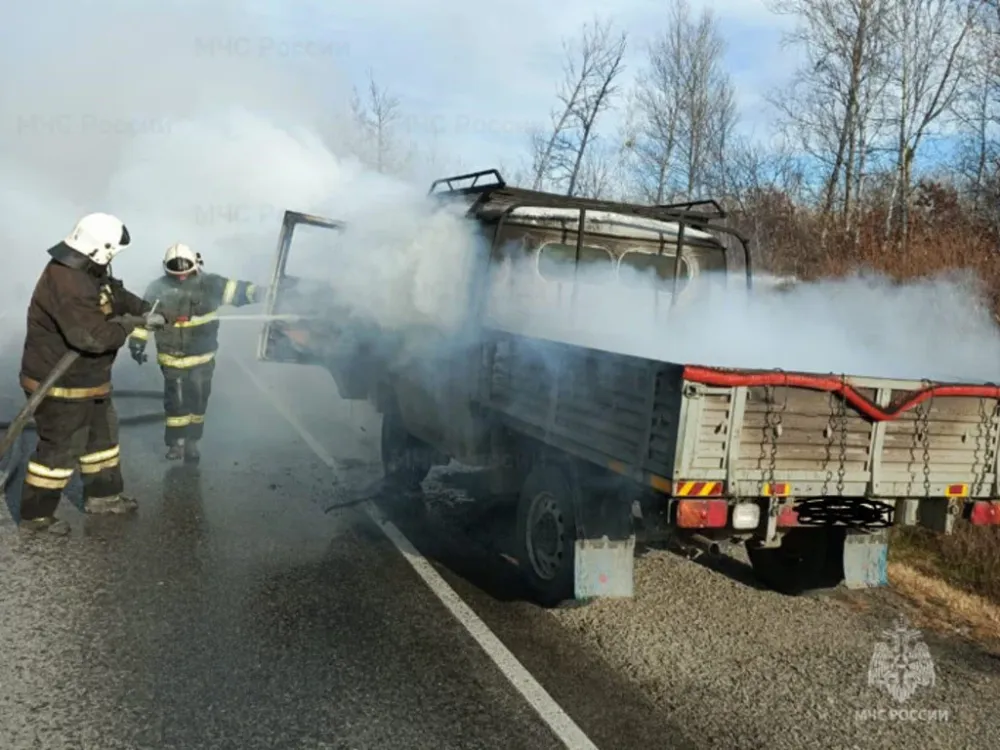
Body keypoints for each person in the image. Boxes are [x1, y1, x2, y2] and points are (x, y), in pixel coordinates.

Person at [18, 212, 171, 535]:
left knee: (102, 439)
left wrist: (146, 310)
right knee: (60, 449)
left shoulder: (89, 270)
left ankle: (103, 497)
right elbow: (91, 337)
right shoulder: (67, 281)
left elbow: (115, 296)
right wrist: (130, 325)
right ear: (100, 248)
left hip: (89, 379)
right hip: (59, 385)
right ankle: (36, 515)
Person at [128, 243, 266, 462]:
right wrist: (137, 342)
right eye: (176, 274)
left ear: (196, 264)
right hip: (172, 358)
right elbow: (144, 318)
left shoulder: (210, 284)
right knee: (176, 403)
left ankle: (192, 442)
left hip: (202, 358)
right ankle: (176, 443)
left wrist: (261, 293)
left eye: (185, 273)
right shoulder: (157, 288)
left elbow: (239, 291)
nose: (181, 277)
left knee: (198, 401)